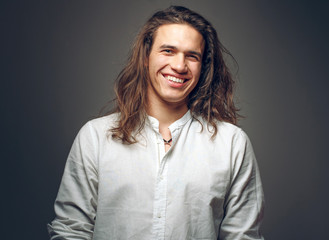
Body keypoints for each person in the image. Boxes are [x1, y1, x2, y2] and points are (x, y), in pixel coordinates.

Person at [48, 5, 264, 240]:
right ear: (145, 58)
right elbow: (71, 231)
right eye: (168, 51)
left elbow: (242, 236)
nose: (180, 66)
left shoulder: (232, 143)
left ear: (203, 68)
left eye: (192, 56)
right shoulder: (96, 137)